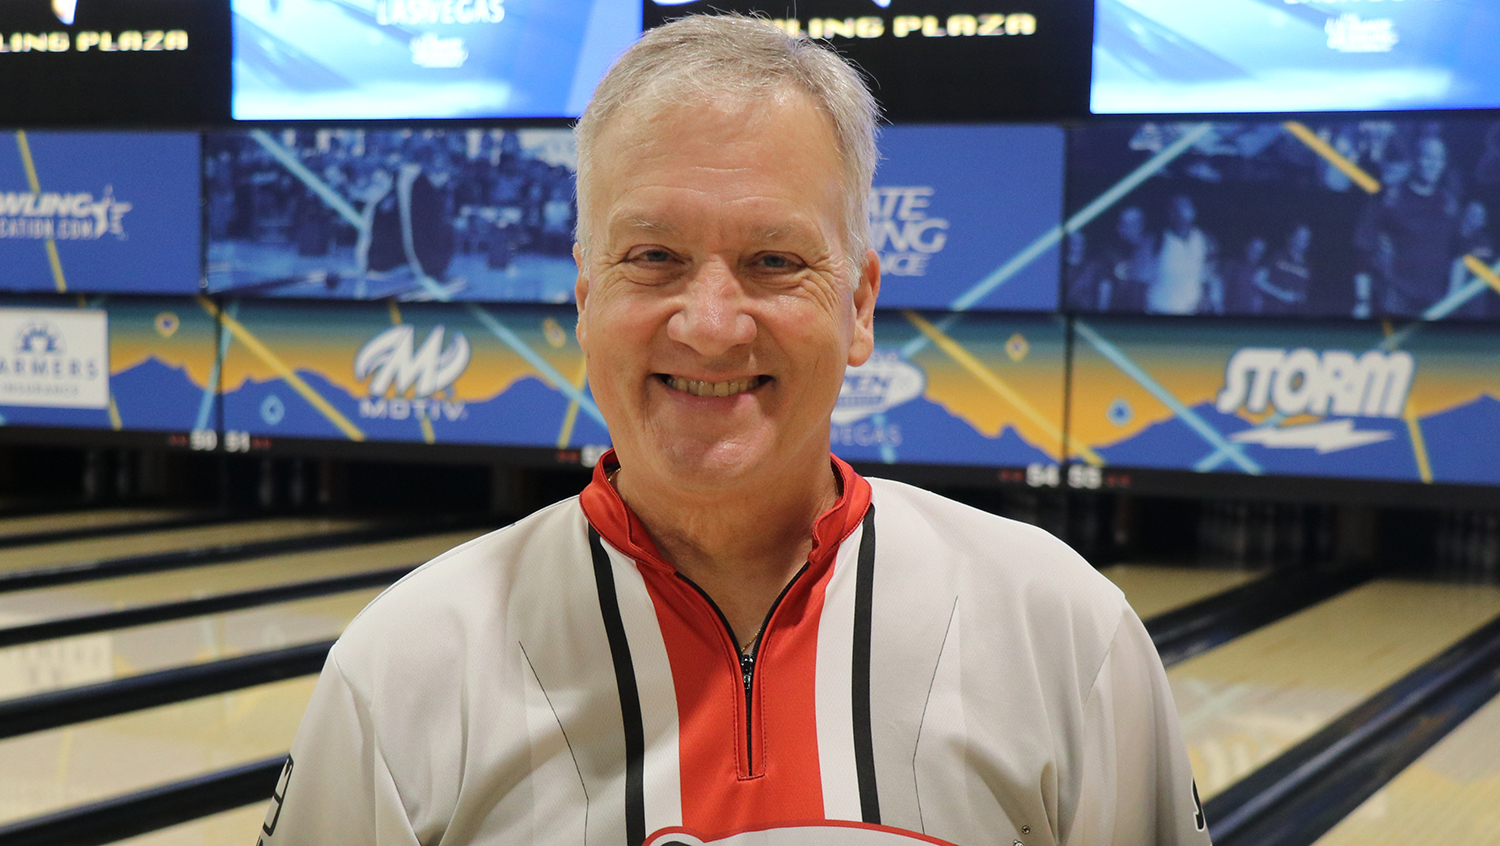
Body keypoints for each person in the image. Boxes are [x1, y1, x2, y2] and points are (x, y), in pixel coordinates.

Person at [259, 15, 1209, 846]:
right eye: (654, 258)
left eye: (773, 259)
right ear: (586, 301)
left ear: (861, 305)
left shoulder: (1064, 636)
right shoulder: (403, 666)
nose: (711, 324)